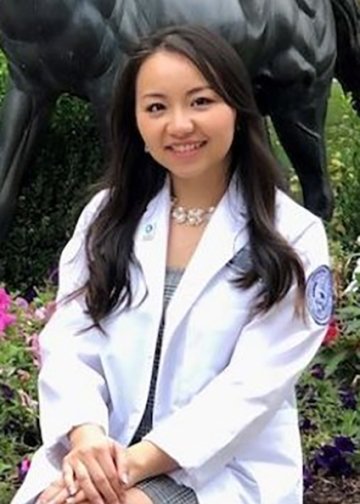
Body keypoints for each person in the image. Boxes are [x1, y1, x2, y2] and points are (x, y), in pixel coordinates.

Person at [12, 24, 333, 504]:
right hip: (102, 452)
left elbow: (250, 390)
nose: (179, 125)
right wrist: (85, 438)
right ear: (136, 122)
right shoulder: (107, 217)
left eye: (201, 101)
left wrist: (126, 470)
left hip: (218, 469)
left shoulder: (293, 237)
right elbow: (69, 342)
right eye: (156, 107)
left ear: (238, 111)